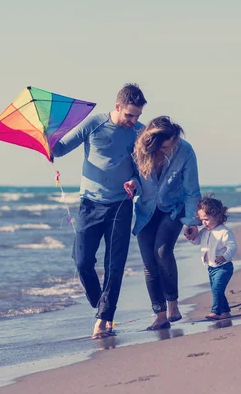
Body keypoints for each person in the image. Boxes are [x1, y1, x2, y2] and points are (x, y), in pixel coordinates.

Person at [52, 83, 147, 339]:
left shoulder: (139, 132)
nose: (133, 121)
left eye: (137, 116)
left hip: (121, 205)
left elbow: (143, 170)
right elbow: (60, 148)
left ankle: (104, 318)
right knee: (82, 261)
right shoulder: (94, 123)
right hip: (90, 204)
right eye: (129, 115)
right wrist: (46, 145)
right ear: (117, 107)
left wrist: (135, 182)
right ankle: (100, 304)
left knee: (114, 265)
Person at [124, 116, 201, 330]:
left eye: (172, 143)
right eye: (166, 146)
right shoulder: (138, 150)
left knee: (163, 251)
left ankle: (173, 304)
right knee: (149, 264)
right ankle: (159, 315)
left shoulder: (185, 151)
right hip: (145, 210)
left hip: (173, 208)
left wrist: (192, 222)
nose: (170, 148)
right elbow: (135, 177)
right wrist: (133, 183)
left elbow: (191, 190)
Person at [185, 195, 237, 320]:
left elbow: (233, 246)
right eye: (202, 220)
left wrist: (225, 256)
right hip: (211, 268)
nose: (203, 223)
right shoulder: (205, 231)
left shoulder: (224, 231)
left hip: (224, 267)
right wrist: (190, 237)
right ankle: (225, 312)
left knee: (216, 289)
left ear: (217, 216)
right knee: (218, 290)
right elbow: (197, 241)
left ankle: (216, 312)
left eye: (206, 219)